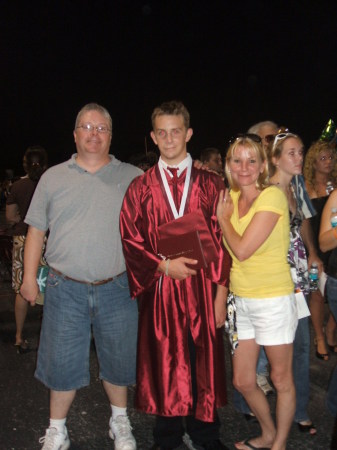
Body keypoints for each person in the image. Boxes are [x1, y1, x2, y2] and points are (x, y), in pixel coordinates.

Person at [20, 103, 142, 450]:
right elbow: (35, 232)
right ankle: (57, 430)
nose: (94, 133)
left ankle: (119, 422)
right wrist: (29, 279)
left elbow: (151, 232)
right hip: (64, 287)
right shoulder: (53, 177)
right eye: (87, 127)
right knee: (61, 362)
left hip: (117, 286)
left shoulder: (132, 177)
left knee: (118, 360)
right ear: (75, 134)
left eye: (101, 128)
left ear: (111, 136)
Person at [120, 100, 231, 450]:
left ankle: (205, 434)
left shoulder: (211, 184)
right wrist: (162, 265)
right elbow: (129, 237)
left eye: (176, 131)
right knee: (165, 361)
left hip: (201, 287)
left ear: (189, 133)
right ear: (153, 137)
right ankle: (166, 436)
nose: (169, 139)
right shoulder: (141, 187)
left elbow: (223, 241)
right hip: (162, 288)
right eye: (162, 133)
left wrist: (219, 296)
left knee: (202, 360)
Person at [217, 133, 297, 450]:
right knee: (243, 380)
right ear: (229, 165)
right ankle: (267, 434)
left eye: (252, 160)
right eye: (237, 160)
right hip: (242, 301)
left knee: (280, 378)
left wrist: (223, 220)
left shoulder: (272, 197)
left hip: (273, 299)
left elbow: (242, 249)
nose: (245, 167)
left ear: (263, 165)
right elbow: (225, 255)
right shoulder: (231, 198)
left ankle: (279, 444)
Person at [269, 132, 320, 435]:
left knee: (301, 345)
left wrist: (313, 252)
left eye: (300, 152)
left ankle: (297, 408)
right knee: (272, 347)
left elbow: (302, 222)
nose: (299, 158)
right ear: (275, 158)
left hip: (298, 278)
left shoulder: (296, 185)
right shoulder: (265, 191)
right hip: (274, 279)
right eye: (291, 153)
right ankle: (249, 403)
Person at [6, 145, 48, 353]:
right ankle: (49, 339)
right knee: (50, 286)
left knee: (22, 288)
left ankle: (19, 336)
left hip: (23, 239)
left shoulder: (17, 187)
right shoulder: (50, 183)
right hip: (48, 239)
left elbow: (10, 216)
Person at [304, 140, 337, 357]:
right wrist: (312, 252)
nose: (328, 162)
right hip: (314, 247)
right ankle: (318, 337)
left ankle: (331, 329)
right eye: (322, 158)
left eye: (330, 157)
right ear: (313, 162)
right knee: (316, 293)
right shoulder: (305, 186)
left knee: (332, 294)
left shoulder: (335, 185)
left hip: (333, 247)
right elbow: (304, 221)